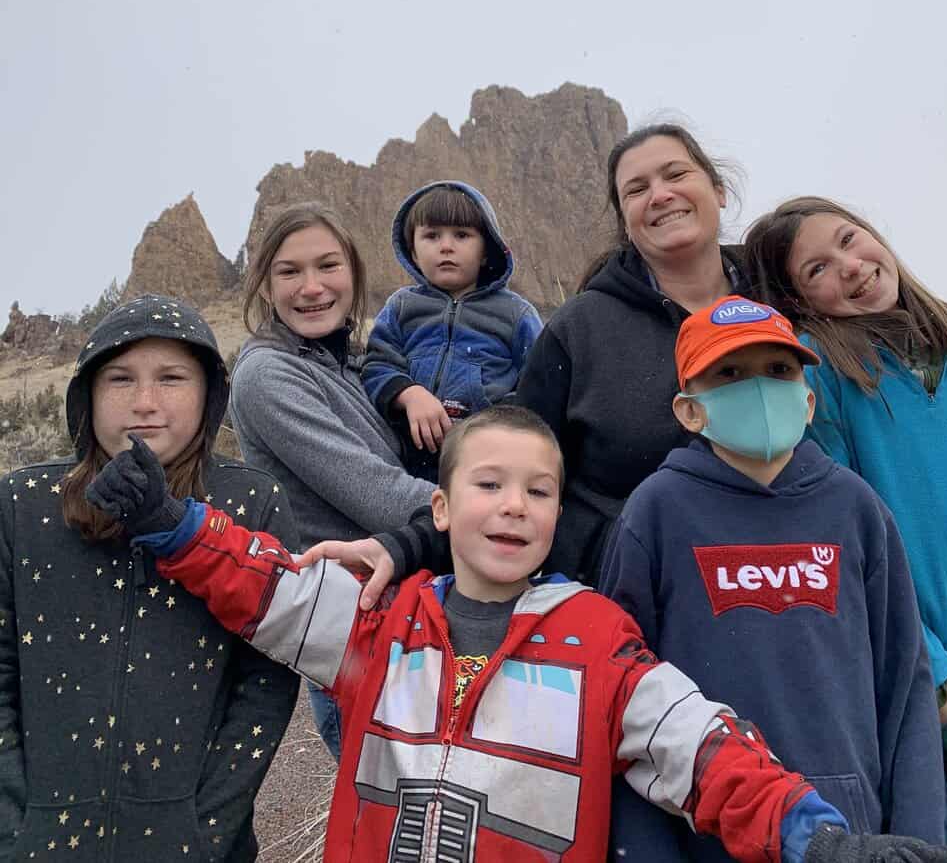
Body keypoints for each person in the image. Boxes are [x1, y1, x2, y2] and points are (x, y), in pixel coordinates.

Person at [85, 407, 947, 863]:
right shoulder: (377, 625)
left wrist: (818, 839)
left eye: (538, 492)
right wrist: (172, 524)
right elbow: (265, 586)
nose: (513, 505)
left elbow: (707, 752)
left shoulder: (598, 637)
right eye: (489, 483)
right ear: (440, 506)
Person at [600, 295, 945, 862]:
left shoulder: (857, 508)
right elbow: (625, 695)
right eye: (730, 373)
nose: (758, 388)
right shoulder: (656, 511)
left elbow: (904, 683)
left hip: (854, 841)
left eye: (778, 370)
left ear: (807, 400)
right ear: (689, 410)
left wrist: (919, 836)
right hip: (702, 837)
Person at [741, 197, 947, 863]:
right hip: (914, 701)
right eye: (818, 269)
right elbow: (840, 549)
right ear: (798, 301)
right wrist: (942, 689)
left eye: (850, 239)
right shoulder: (820, 381)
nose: (852, 267)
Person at [0, 294, 299, 862]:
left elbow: (267, 680)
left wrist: (206, 832)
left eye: (171, 378)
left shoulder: (251, 502)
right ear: (87, 393)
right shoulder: (22, 504)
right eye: (119, 378)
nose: (144, 402)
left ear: (208, 395)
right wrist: (14, 830)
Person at [230, 202, 439, 759]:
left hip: (415, 612)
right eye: (289, 271)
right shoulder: (268, 375)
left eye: (328, 266)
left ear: (353, 271)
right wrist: (497, 509)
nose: (312, 287)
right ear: (264, 284)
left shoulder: (352, 360)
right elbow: (379, 494)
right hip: (358, 632)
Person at [516, 122, 750, 585]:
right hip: (628, 602)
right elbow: (511, 464)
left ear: (718, 190)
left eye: (676, 174)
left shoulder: (781, 300)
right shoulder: (580, 329)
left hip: (783, 590)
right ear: (625, 222)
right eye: (637, 189)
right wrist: (407, 545)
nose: (660, 195)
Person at [362, 181, 542, 480]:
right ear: (414, 252)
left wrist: (494, 423)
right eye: (431, 236)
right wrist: (409, 394)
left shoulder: (515, 314)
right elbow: (377, 364)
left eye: (462, 235)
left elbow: (537, 382)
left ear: (487, 250)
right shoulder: (402, 307)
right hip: (408, 460)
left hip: (490, 458)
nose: (446, 246)